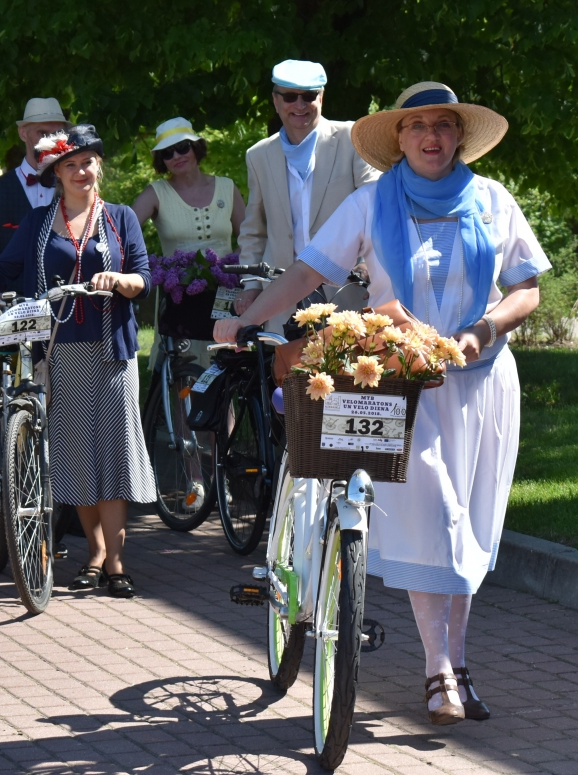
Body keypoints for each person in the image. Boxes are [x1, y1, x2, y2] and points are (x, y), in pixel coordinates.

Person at [216, 81, 549, 725]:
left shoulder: (492, 199)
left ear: (459, 136)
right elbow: (309, 272)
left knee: (472, 528)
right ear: (398, 138)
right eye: (417, 125)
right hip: (400, 386)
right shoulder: (371, 203)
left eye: (444, 125)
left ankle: (457, 663)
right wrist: (249, 320)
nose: (431, 135)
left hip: (483, 384)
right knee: (436, 515)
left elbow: (527, 288)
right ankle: (437, 671)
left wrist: (484, 329)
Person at [0, 125, 156, 598]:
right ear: (57, 173)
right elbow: (2, 271)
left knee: (115, 455)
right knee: (75, 455)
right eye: (70, 165)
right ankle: (94, 554)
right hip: (58, 351)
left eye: (88, 162)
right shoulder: (38, 223)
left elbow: (144, 277)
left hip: (112, 350)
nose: (81, 171)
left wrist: (118, 280)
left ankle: (117, 563)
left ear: (100, 166)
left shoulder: (120, 218)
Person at [237, 60, 380, 331]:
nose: (299, 105)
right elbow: (254, 230)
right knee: (285, 374)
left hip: (347, 292)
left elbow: (375, 207)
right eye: (290, 97)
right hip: (282, 299)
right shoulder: (258, 155)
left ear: (322, 97)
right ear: (276, 101)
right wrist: (251, 284)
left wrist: (366, 263)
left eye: (309, 96)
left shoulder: (354, 138)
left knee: (349, 374)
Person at [132, 116, 247, 365]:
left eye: (182, 147)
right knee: (181, 369)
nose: (176, 156)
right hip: (179, 297)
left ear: (196, 148)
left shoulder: (227, 187)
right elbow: (123, 231)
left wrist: (231, 265)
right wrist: (147, 267)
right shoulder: (156, 192)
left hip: (226, 292)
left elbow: (250, 237)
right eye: (167, 153)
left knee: (226, 369)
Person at [0, 98, 70, 281]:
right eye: (42, 133)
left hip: (65, 304)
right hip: (12, 305)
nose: (50, 141)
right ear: (23, 133)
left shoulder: (72, 187)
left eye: (56, 134)